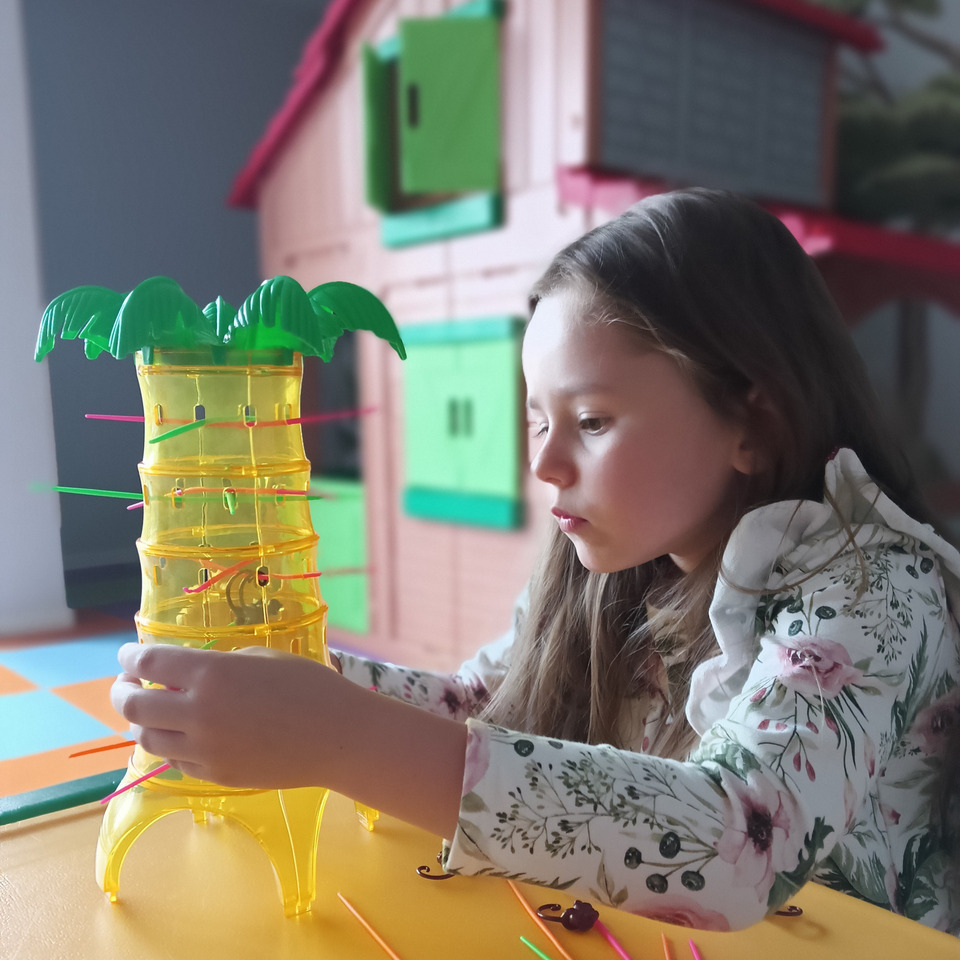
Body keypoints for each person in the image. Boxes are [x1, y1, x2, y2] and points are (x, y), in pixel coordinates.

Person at [112, 188, 960, 933]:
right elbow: (480, 703)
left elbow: (739, 839)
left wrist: (337, 734)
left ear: (754, 423)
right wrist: (283, 681)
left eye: (590, 421)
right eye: (536, 419)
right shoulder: (628, 562)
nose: (544, 464)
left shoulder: (876, 589)